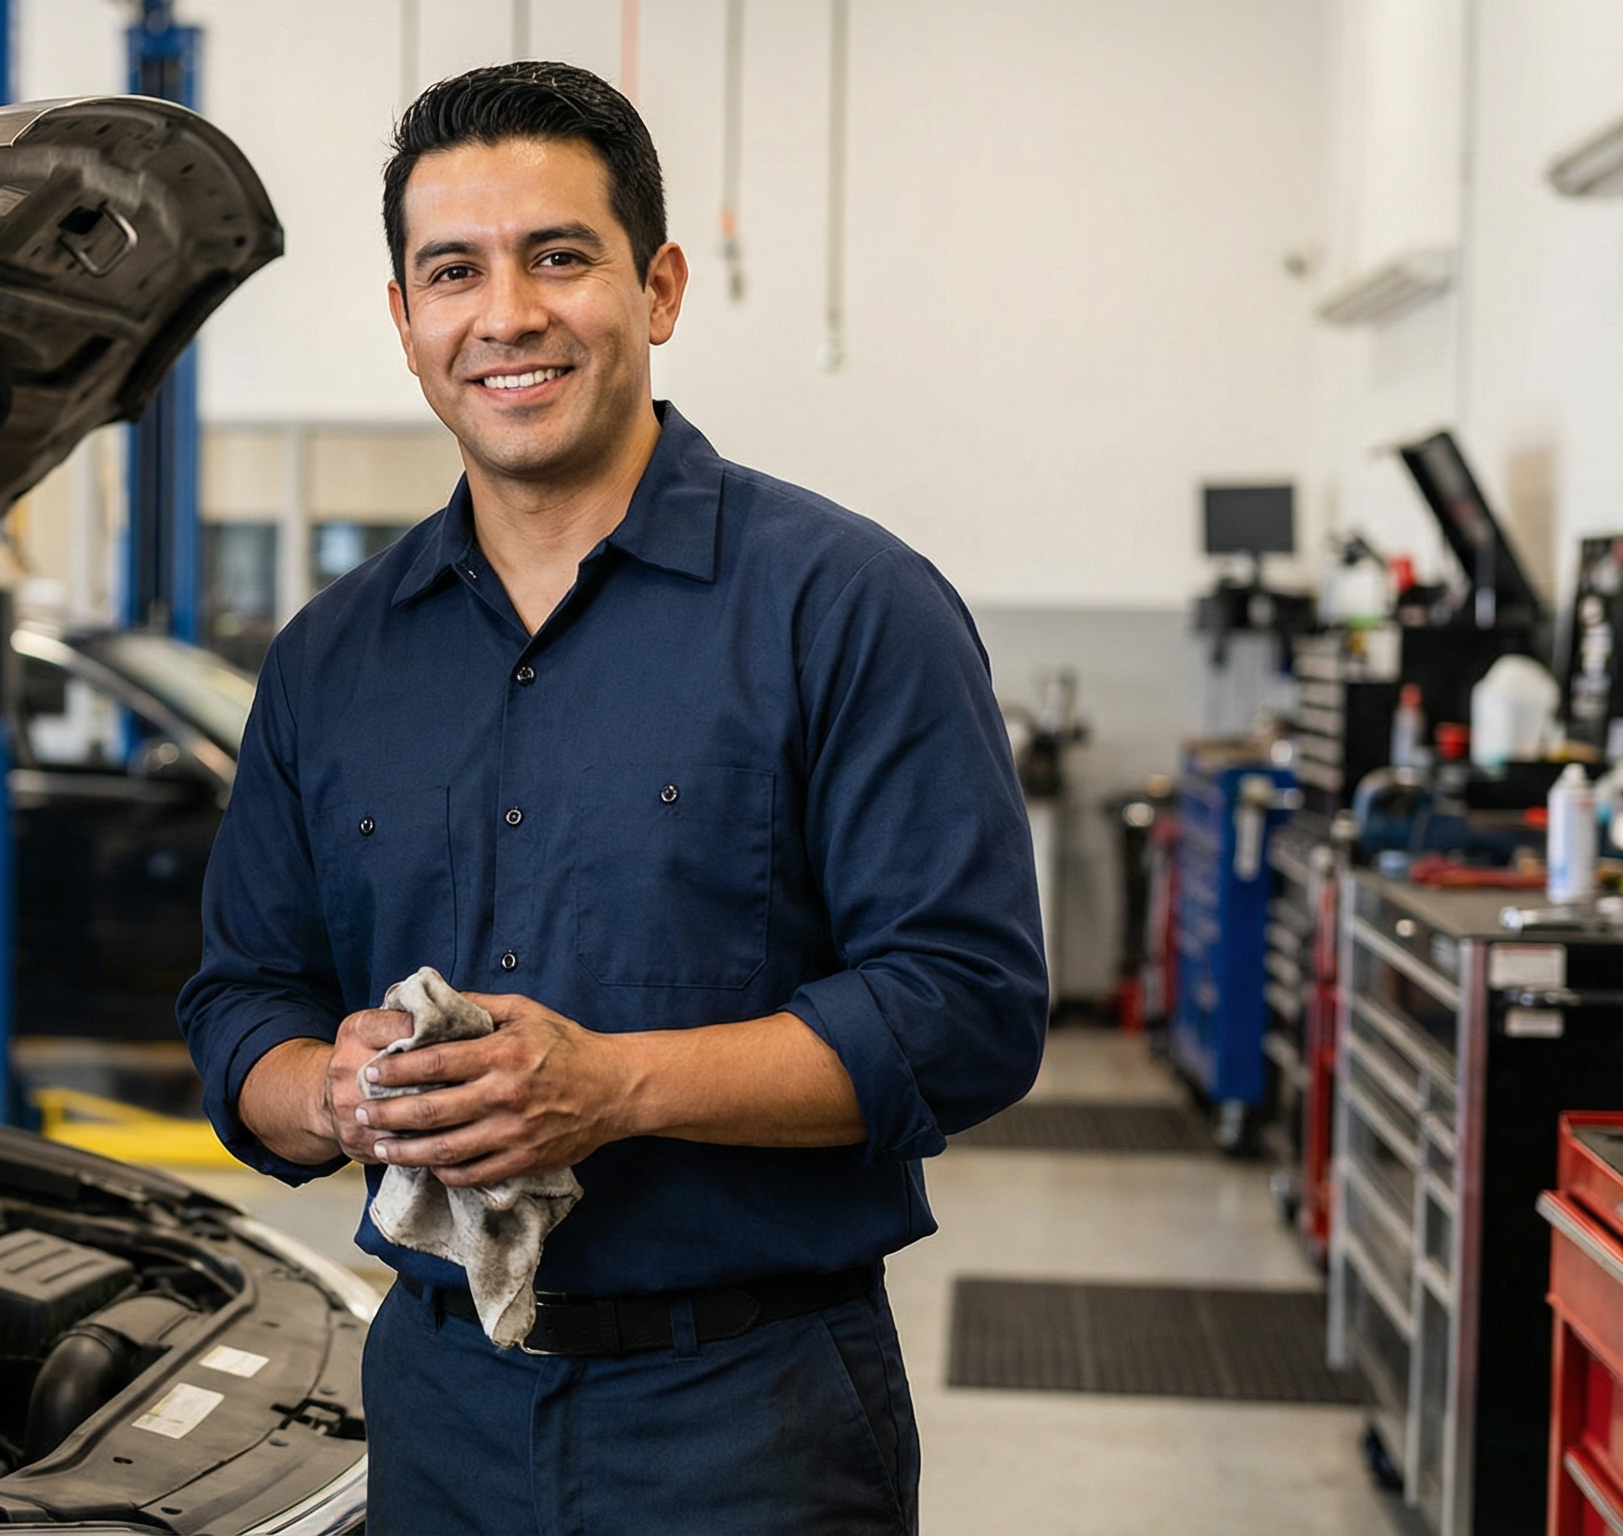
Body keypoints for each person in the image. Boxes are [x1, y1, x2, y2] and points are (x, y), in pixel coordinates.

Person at [176, 61, 1047, 1534]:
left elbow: (966, 1008)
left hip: (749, 1419)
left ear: (659, 288)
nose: (506, 314)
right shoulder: (330, 659)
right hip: (437, 1402)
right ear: (404, 319)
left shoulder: (846, 607)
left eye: (559, 256)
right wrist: (331, 1089)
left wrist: (612, 1087)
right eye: (454, 271)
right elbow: (240, 1003)